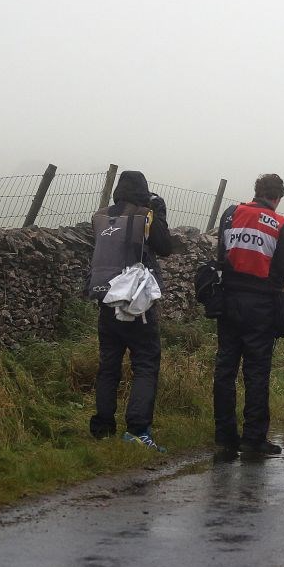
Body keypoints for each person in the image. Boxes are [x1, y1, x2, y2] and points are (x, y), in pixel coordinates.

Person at [88, 170, 173, 451]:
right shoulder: (145, 215)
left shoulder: (100, 217)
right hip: (137, 304)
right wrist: (158, 214)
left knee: (108, 366)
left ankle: (102, 428)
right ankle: (137, 431)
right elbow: (165, 247)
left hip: (106, 300)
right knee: (146, 364)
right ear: (143, 190)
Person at [212, 174, 284, 456]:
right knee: (256, 373)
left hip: (228, 298)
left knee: (225, 369)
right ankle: (253, 439)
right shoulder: (281, 224)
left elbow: (221, 254)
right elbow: (283, 268)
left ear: (256, 191)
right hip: (261, 303)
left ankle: (225, 436)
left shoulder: (231, 213)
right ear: (278, 198)